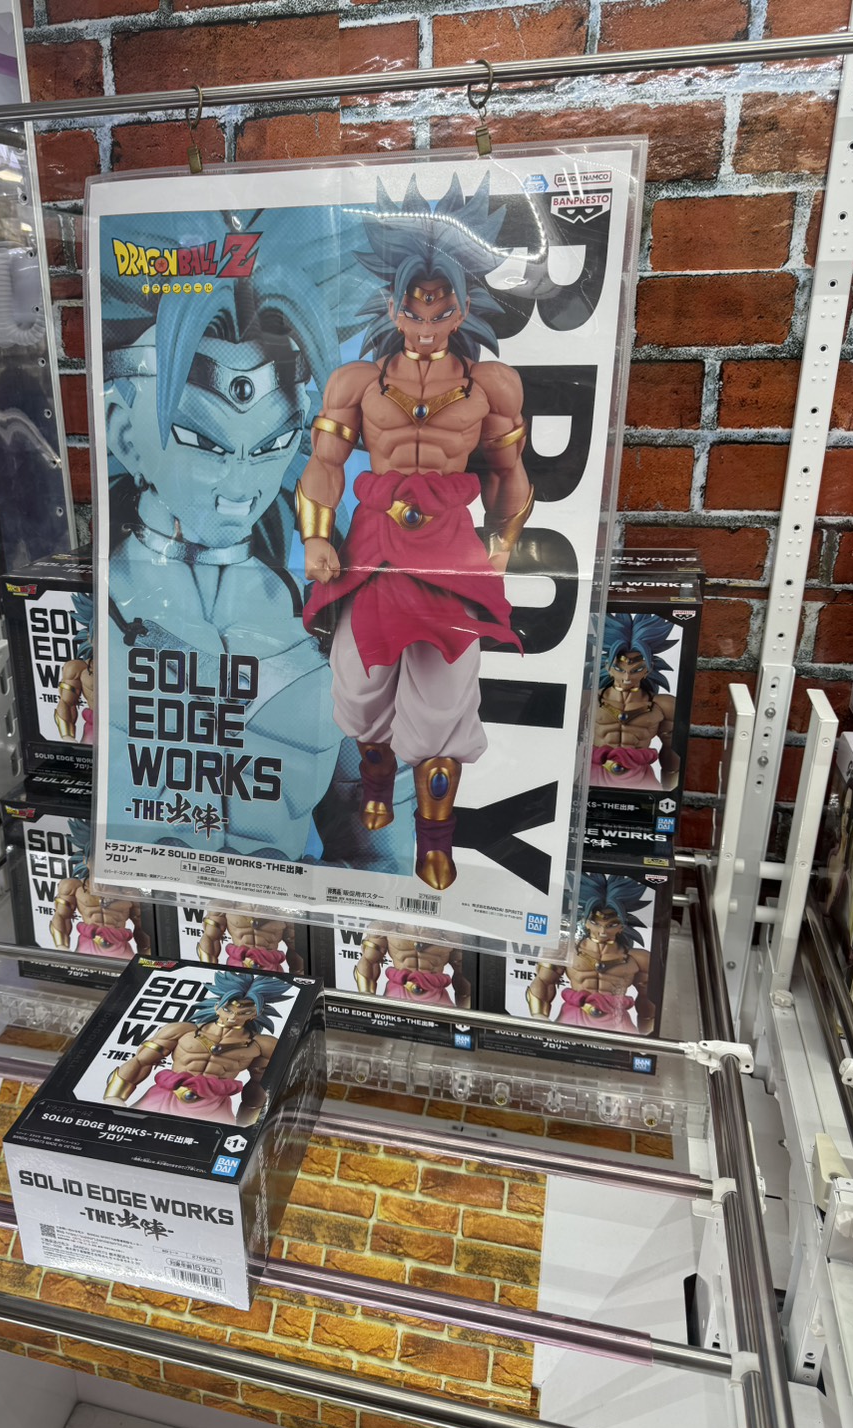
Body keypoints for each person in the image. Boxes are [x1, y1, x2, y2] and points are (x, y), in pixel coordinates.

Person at [100, 206, 412, 866]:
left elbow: (387, 845)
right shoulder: (85, 610)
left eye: (270, 445)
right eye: (204, 442)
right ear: (125, 434)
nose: (240, 485)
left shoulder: (332, 615)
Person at [296, 175, 531, 890]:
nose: (427, 324)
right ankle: (375, 774)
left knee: (444, 700)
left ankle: (435, 838)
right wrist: (316, 536)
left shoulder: (492, 385)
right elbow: (323, 465)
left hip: (450, 553)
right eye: (414, 307)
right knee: (362, 687)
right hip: (371, 548)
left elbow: (509, 472)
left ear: (462, 307)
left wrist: (504, 542)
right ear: (394, 305)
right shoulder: (355, 383)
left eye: (440, 308)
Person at [103, 972, 292, 1125]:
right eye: (228, 1009)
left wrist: (245, 1125)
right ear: (217, 1006)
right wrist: (113, 1098)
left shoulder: (261, 1045)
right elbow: (141, 1061)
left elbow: (259, 1087)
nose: (233, 1017)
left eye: (244, 1012)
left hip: (213, 1109)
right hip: (164, 1099)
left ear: (255, 1014)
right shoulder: (181, 1031)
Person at [526, 873, 653, 1034]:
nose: (602, 931)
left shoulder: (638, 959)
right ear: (585, 922)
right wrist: (539, 1017)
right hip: (572, 1019)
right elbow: (543, 982)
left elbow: (648, 1001)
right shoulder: (564, 949)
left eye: (611, 924)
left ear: (622, 925)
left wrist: (646, 1035)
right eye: (595, 922)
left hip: (618, 1023)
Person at [591, 612, 679, 790]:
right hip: (594, 777)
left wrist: (668, 794)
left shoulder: (663, 706)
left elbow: (671, 755)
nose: (627, 677)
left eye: (636, 670)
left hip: (641, 780)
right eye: (619, 668)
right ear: (608, 667)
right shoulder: (589, 700)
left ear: (648, 669)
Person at [50, 818, 149, 960]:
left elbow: (142, 929)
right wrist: (61, 947)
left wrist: (146, 957)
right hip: (87, 947)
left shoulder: (130, 892)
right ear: (86, 860)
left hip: (121, 950)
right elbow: (61, 917)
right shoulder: (73, 887)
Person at [354, 931, 471, 1008]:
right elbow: (369, 961)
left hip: (437, 998)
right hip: (397, 994)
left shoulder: (452, 933)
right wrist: (366, 1002)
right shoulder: (386, 924)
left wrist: (465, 1014)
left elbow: (462, 973)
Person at [197, 909, 303, 972]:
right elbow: (210, 938)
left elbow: (295, 947)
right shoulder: (225, 903)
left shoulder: (287, 910)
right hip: (236, 966)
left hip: (271, 969)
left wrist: (299, 977)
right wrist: (208, 971)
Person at [54, 591, 95, 744]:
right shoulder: (78, 669)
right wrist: (67, 737)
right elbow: (66, 703)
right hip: (94, 732)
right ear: (90, 638)